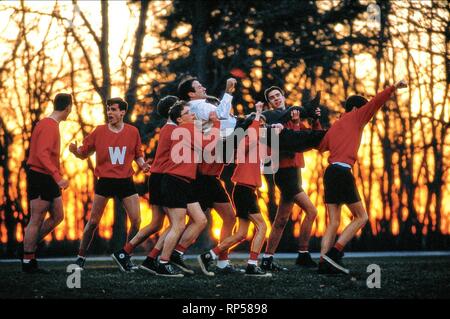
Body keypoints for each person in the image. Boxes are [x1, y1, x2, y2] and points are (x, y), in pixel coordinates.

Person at [318, 80, 407, 274]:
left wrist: (317, 124)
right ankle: (334, 254)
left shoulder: (335, 125)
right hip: (342, 171)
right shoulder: (357, 116)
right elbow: (376, 102)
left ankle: (323, 263)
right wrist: (393, 87)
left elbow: (321, 147)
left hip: (330, 172)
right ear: (357, 108)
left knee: (333, 221)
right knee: (362, 217)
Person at [69, 97, 150, 271]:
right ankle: (80, 258)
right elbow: (84, 154)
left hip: (125, 181)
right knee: (92, 222)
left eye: (113, 110)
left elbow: (138, 154)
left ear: (122, 112)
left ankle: (125, 257)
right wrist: (76, 152)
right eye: (108, 110)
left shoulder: (132, 131)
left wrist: (143, 165)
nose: (110, 113)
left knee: (136, 221)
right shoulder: (98, 131)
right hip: (105, 181)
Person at [198, 102, 275, 277]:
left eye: (264, 124)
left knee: (241, 234)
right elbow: (252, 137)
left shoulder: (258, 142)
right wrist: (256, 115)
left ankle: (208, 256)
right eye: (259, 124)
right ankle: (252, 265)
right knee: (262, 227)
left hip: (248, 190)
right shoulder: (247, 139)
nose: (262, 126)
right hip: (243, 190)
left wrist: (275, 129)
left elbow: (268, 153)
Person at [151, 100, 219, 277]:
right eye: (189, 113)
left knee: (200, 219)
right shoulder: (187, 130)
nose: (194, 114)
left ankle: (176, 253)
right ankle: (163, 263)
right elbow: (208, 144)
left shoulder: (189, 129)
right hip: (174, 182)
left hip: (184, 182)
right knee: (178, 225)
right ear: (180, 120)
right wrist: (216, 122)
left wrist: (209, 123)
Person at [261, 86, 321, 271]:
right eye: (272, 98)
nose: (276, 99)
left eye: (278, 95)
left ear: (283, 96)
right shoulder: (271, 121)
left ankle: (267, 259)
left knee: (281, 220)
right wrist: (294, 124)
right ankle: (303, 254)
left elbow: (312, 138)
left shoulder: (293, 116)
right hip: (283, 173)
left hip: (295, 172)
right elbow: (290, 144)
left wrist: (315, 118)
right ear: (269, 103)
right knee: (311, 211)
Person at [22, 93, 72, 273]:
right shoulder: (48, 125)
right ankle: (28, 260)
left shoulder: (51, 125)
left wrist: (55, 177)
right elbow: (42, 155)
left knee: (58, 215)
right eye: (70, 108)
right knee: (36, 219)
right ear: (68, 107)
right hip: (40, 176)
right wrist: (58, 177)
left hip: (48, 178)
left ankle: (29, 246)